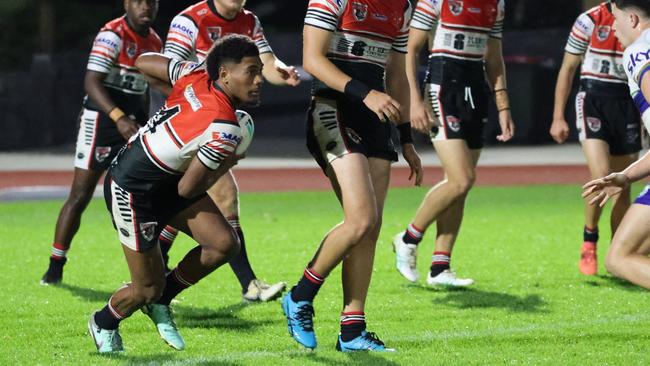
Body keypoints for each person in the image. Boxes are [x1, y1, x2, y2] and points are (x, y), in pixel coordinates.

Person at [88, 34, 263, 353]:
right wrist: (227, 162)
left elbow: (143, 63)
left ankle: (162, 301)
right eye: (251, 71)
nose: (258, 80)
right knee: (145, 289)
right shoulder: (225, 126)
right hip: (132, 188)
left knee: (224, 244)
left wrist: (179, 89)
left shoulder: (195, 73)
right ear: (224, 74)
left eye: (259, 71)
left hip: (163, 179)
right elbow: (188, 188)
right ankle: (104, 321)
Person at [282, 0, 423, 352]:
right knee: (361, 219)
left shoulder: (402, 6)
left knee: (370, 228)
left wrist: (406, 139)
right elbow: (313, 59)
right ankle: (300, 296)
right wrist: (365, 93)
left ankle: (352, 330)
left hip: (375, 118)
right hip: (333, 109)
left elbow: (396, 73)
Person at [159, 0, 300, 302]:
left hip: (219, 122)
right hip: (189, 124)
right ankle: (248, 284)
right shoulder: (189, 21)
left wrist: (282, 71)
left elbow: (267, 60)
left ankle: (154, 271)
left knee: (185, 201)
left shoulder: (249, 21)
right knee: (220, 196)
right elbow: (166, 72)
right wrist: (199, 104)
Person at [392, 0, 514, 287]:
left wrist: (504, 105)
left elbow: (494, 59)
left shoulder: (496, 4)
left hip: (476, 89)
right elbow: (410, 50)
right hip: (443, 87)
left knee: (460, 185)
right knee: (461, 180)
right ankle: (408, 238)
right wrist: (415, 102)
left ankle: (440, 267)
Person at [40, 0, 161, 285]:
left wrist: (145, 120)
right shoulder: (112, 35)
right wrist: (119, 117)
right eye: (139, 2)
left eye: (151, 2)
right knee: (80, 194)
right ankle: (56, 265)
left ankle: (158, 264)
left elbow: (142, 88)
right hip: (101, 123)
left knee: (151, 192)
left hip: (130, 123)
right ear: (127, 4)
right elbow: (91, 82)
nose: (145, 7)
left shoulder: (154, 40)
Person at [551, 1, 642, 276]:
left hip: (627, 102)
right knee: (602, 175)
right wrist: (558, 116)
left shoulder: (637, 19)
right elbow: (567, 68)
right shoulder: (589, 20)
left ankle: (620, 252)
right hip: (593, 99)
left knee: (623, 183)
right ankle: (589, 240)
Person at [583, 0, 650, 289]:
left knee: (620, 257)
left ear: (633, 19)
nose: (612, 26)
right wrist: (625, 176)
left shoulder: (638, 53)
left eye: (617, 19)